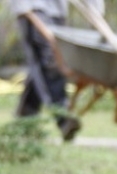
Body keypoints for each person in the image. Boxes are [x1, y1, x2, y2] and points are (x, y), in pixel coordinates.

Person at [10, 0, 84, 141]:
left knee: (39, 70)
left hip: (57, 10)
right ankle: (63, 118)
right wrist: (23, 8)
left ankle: (24, 120)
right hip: (33, 10)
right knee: (51, 63)